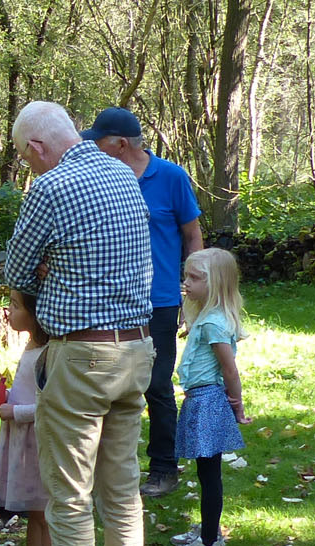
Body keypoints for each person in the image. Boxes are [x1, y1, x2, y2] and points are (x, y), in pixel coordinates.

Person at [0, 101, 154, 546]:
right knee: (122, 491)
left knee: (68, 493)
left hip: (81, 357)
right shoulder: (120, 171)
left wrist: (43, 279)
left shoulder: (49, 188)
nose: (28, 167)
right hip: (136, 350)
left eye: (25, 157)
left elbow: (17, 271)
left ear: (37, 148)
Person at [83, 107, 206, 499]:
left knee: (156, 384)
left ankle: (163, 468)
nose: (93, 148)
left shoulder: (169, 177)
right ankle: (107, 469)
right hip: (110, 300)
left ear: (120, 144)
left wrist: (195, 291)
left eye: (99, 142)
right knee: (105, 383)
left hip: (159, 301)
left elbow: (193, 234)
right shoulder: (100, 178)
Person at [164, 249, 251, 546]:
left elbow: (229, 369)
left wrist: (237, 406)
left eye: (195, 278)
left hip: (207, 402)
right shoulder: (208, 316)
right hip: (201, 400)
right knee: (206, 473)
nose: (186, 282)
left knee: (209, 474)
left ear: (216, 283)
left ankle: (209, 543)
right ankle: (207, 530)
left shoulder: (214, 322)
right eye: (186, 275)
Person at [0, 291, 54, 546]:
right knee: (34, 511)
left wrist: (16, 412)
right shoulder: (31, 346)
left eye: (15, 306)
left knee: (47, 514)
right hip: (23, 437)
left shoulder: (50, 352)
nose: (8, 312)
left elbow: (51, 405)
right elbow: (28, 389)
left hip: (38, 438)